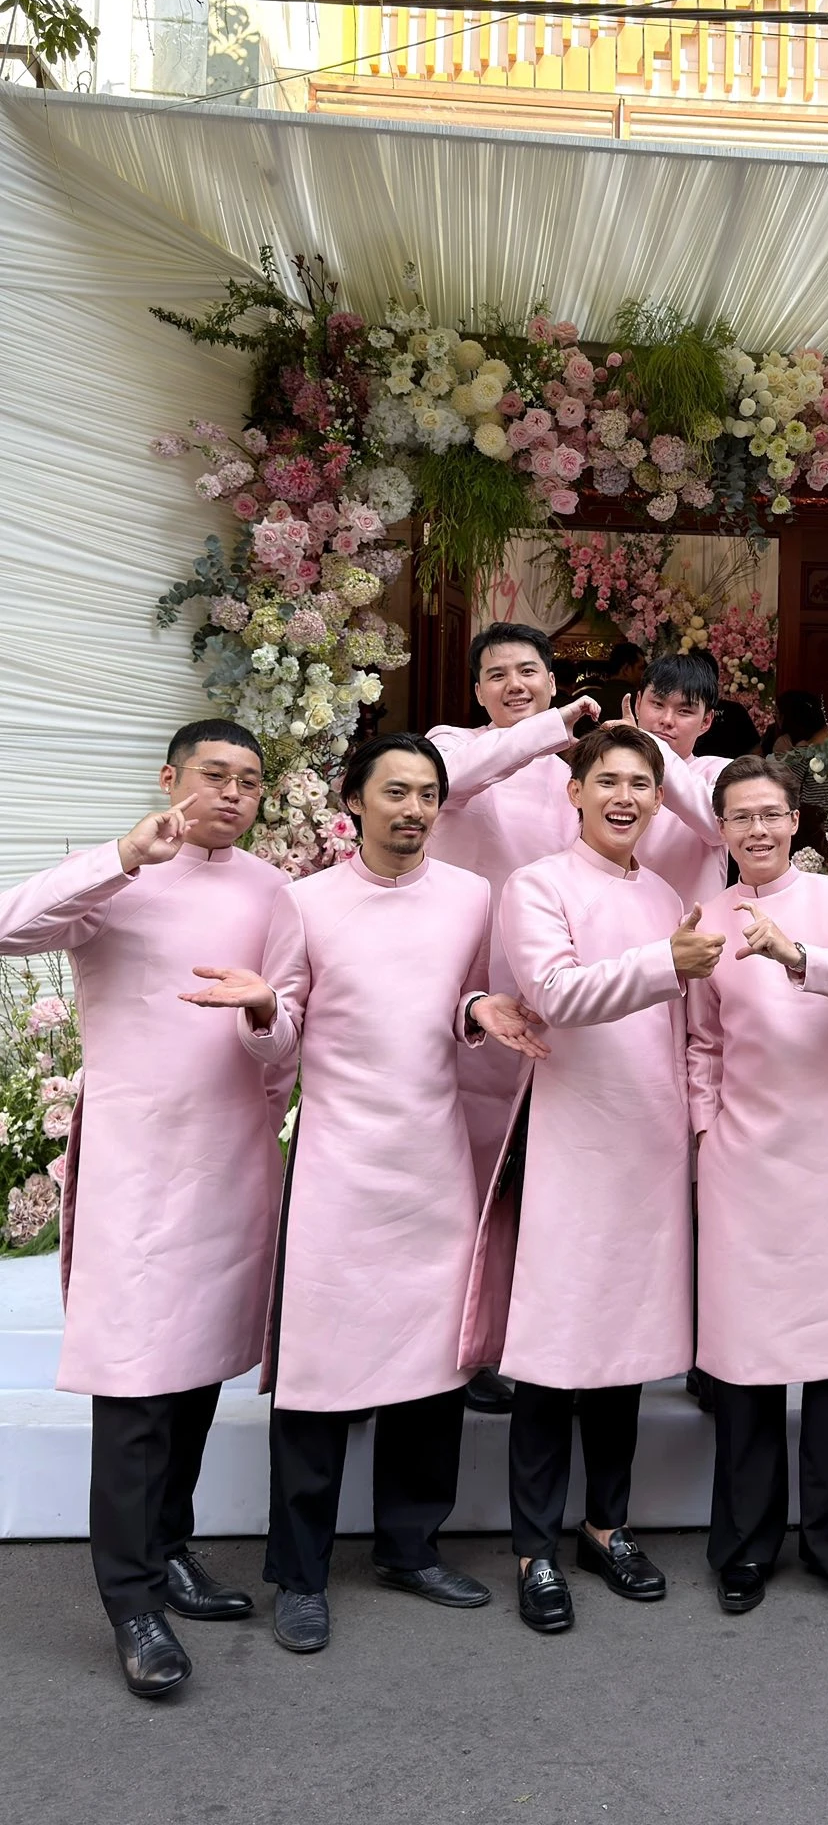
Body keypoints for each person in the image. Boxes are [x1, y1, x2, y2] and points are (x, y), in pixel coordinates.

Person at [185, 734, 541, 1656]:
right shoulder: (306, 901)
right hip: (340, 1165)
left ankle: (409, 1548)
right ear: (354, 800)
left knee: (432, 1372)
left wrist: (478, 1010)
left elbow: (459, 1004)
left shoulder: (470, 896)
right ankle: (299, 1575)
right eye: (395, 792)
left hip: (434, 1162)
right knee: (317, 1380)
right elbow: (282, 1036)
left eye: (427, 794)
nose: (414, 810)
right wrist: (264, 1009)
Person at [0, 720, 291, 1697]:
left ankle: (168, 1547)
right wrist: (124, 854)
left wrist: (264, 1013)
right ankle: (131, 1603)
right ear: (171, 778)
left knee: (199, 1373)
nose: (233, 792)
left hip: (230, 1160)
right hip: (136, 1167)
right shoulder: (112, 878)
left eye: (250, 780)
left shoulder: (271, 890)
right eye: (215, 774)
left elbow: (289, 1032)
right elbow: (7, 926)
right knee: (135, 1386)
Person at [473, 725, 725, 1635]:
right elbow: (555, 991)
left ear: (660, 800)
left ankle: (605, 1526)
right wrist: (664, 963)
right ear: (573, 792)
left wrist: (697, 1125)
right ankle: (534, 1548)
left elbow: (689, 1030)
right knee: (554, 1353)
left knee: (624, 1351)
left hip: (650, 1144)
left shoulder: (665, 895)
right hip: (573, 1140)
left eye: (641, 784)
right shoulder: (537, 885)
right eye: (607, 780)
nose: (625, 797)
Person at [685, 755, 828, 1617]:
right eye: (740, 817)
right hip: (743, 1158)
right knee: (746, 1365)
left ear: (796, 821)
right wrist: (706, 1130)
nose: (757, 830)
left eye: (771, 814)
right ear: (721, 830)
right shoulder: (705, 921)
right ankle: (744, 1547)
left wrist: (796, 955)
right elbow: (702, 1042)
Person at [427, 622, 600, 1414]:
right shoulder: (451, 748)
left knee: (528, 1188)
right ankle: (446, 1349)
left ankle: (511, 1342)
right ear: (476, 691)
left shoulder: (573, 780)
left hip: (541, 1001)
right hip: (460, 997)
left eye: (528, 670)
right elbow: (465, 776)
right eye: (496, 674)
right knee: (454, 1179)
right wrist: (555, 727)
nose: (514, 685)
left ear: (552, 678)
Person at [626, 651, 731, 911]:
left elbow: (716, 823)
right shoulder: (604, 771)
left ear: (706, 721)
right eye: (657, 704)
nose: (666, 720)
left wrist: (645, 741)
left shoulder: (720, 772)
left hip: (693, 928)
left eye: (684, 711)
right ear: (638, 703)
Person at [761, 690, 828, 757]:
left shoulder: (783, 743)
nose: (775, 717)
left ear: (787, 717)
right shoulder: (825, 735)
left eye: (777, 713)